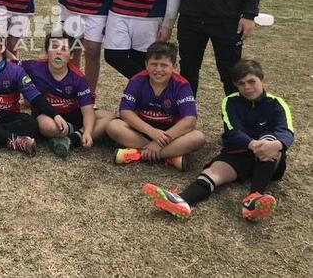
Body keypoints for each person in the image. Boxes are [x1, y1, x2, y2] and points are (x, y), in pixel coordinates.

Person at [143, 59, 293, 221]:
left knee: (269, 139)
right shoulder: (230, 102)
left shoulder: (277, 103)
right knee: (211, 172)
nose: (247, 87)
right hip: (239, 152)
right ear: (236, 85)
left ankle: (254, 198)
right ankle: (182, 200)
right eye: (241, 83)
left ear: (263, 80)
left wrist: (276, 145)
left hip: (270, 160)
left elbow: (286, 132)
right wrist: (252, 144)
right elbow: (233, 131)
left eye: (252, 81)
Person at [105, 41, 205, 171]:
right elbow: (125, 112)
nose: (158, 70)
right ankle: (169, 156)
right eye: (154, 64)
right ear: (146, 64)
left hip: (171, 135)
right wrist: (151, 132)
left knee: (198, 138)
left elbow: (190, 121)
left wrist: (160, 142)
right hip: (142, 131)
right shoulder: (137, 80)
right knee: (113, 126)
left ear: (174, 66)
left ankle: (138, 154)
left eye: (164, 65)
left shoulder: (182, 85)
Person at [23, 31, 114, 157]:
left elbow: (88, 111)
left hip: (73, 114)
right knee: (46, 126)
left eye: (64, 49)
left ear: (71, 55)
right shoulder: (33, 66)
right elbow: (9, 62)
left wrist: (87, 132)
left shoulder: (78, 77)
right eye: (54, 47)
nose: (58, 52)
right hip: (47, 114)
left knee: (109, 117)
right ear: (46, 52)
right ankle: (73, 134)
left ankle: (73, 137)